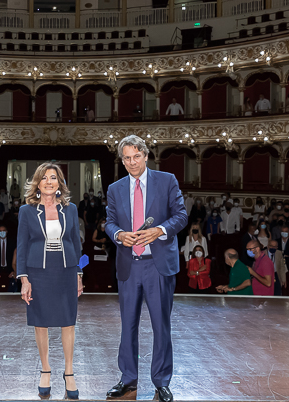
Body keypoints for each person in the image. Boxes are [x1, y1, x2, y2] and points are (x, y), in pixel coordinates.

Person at [104, 135, 187, 402]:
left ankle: (161, 382)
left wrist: (159, 231)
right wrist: (118, 236)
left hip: (158, 266)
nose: (131, 162)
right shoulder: (115, 188)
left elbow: (181, 216)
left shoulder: (167, 180)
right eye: (126, 158)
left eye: (136, 156)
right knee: (127, 326)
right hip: (129, 265)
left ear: (146, 155)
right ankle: (128, 379)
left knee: (161, 326)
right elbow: (110, 223)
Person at [17, 163, 84, 400]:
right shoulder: (27, 211)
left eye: (53, 177)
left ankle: (69, 372)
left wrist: (79, 273)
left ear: (59, 183)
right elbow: (22, 246)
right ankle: (45, 369)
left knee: (68, 321)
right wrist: (24, 278)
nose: (48, 181)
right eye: (43, 178)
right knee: (41, 321)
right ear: (37, 183)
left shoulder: (71, 209)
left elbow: (76, 243)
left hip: (65, 270)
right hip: (38, 272)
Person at [0, 225, 16, 292]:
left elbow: (16, 258)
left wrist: (14, 271)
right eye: (0, 231)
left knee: (10, 291)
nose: (2, 233)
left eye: (3, 231)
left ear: (7, 232)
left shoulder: (12, 242)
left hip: (10, 271)